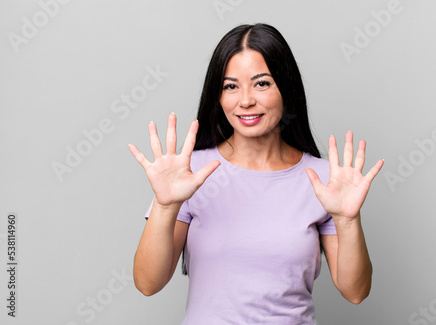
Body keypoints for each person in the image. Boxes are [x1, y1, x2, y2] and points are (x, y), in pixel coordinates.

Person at [128, 23, 384, 324]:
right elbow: (148, 284)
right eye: (230, 86)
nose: (245, 100)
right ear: (218, 96)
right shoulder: (188, 174)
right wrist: (166, 205)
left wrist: (348, 220)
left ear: (286, 88)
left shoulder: (326, 180)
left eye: (261, 83)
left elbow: (355, 292)